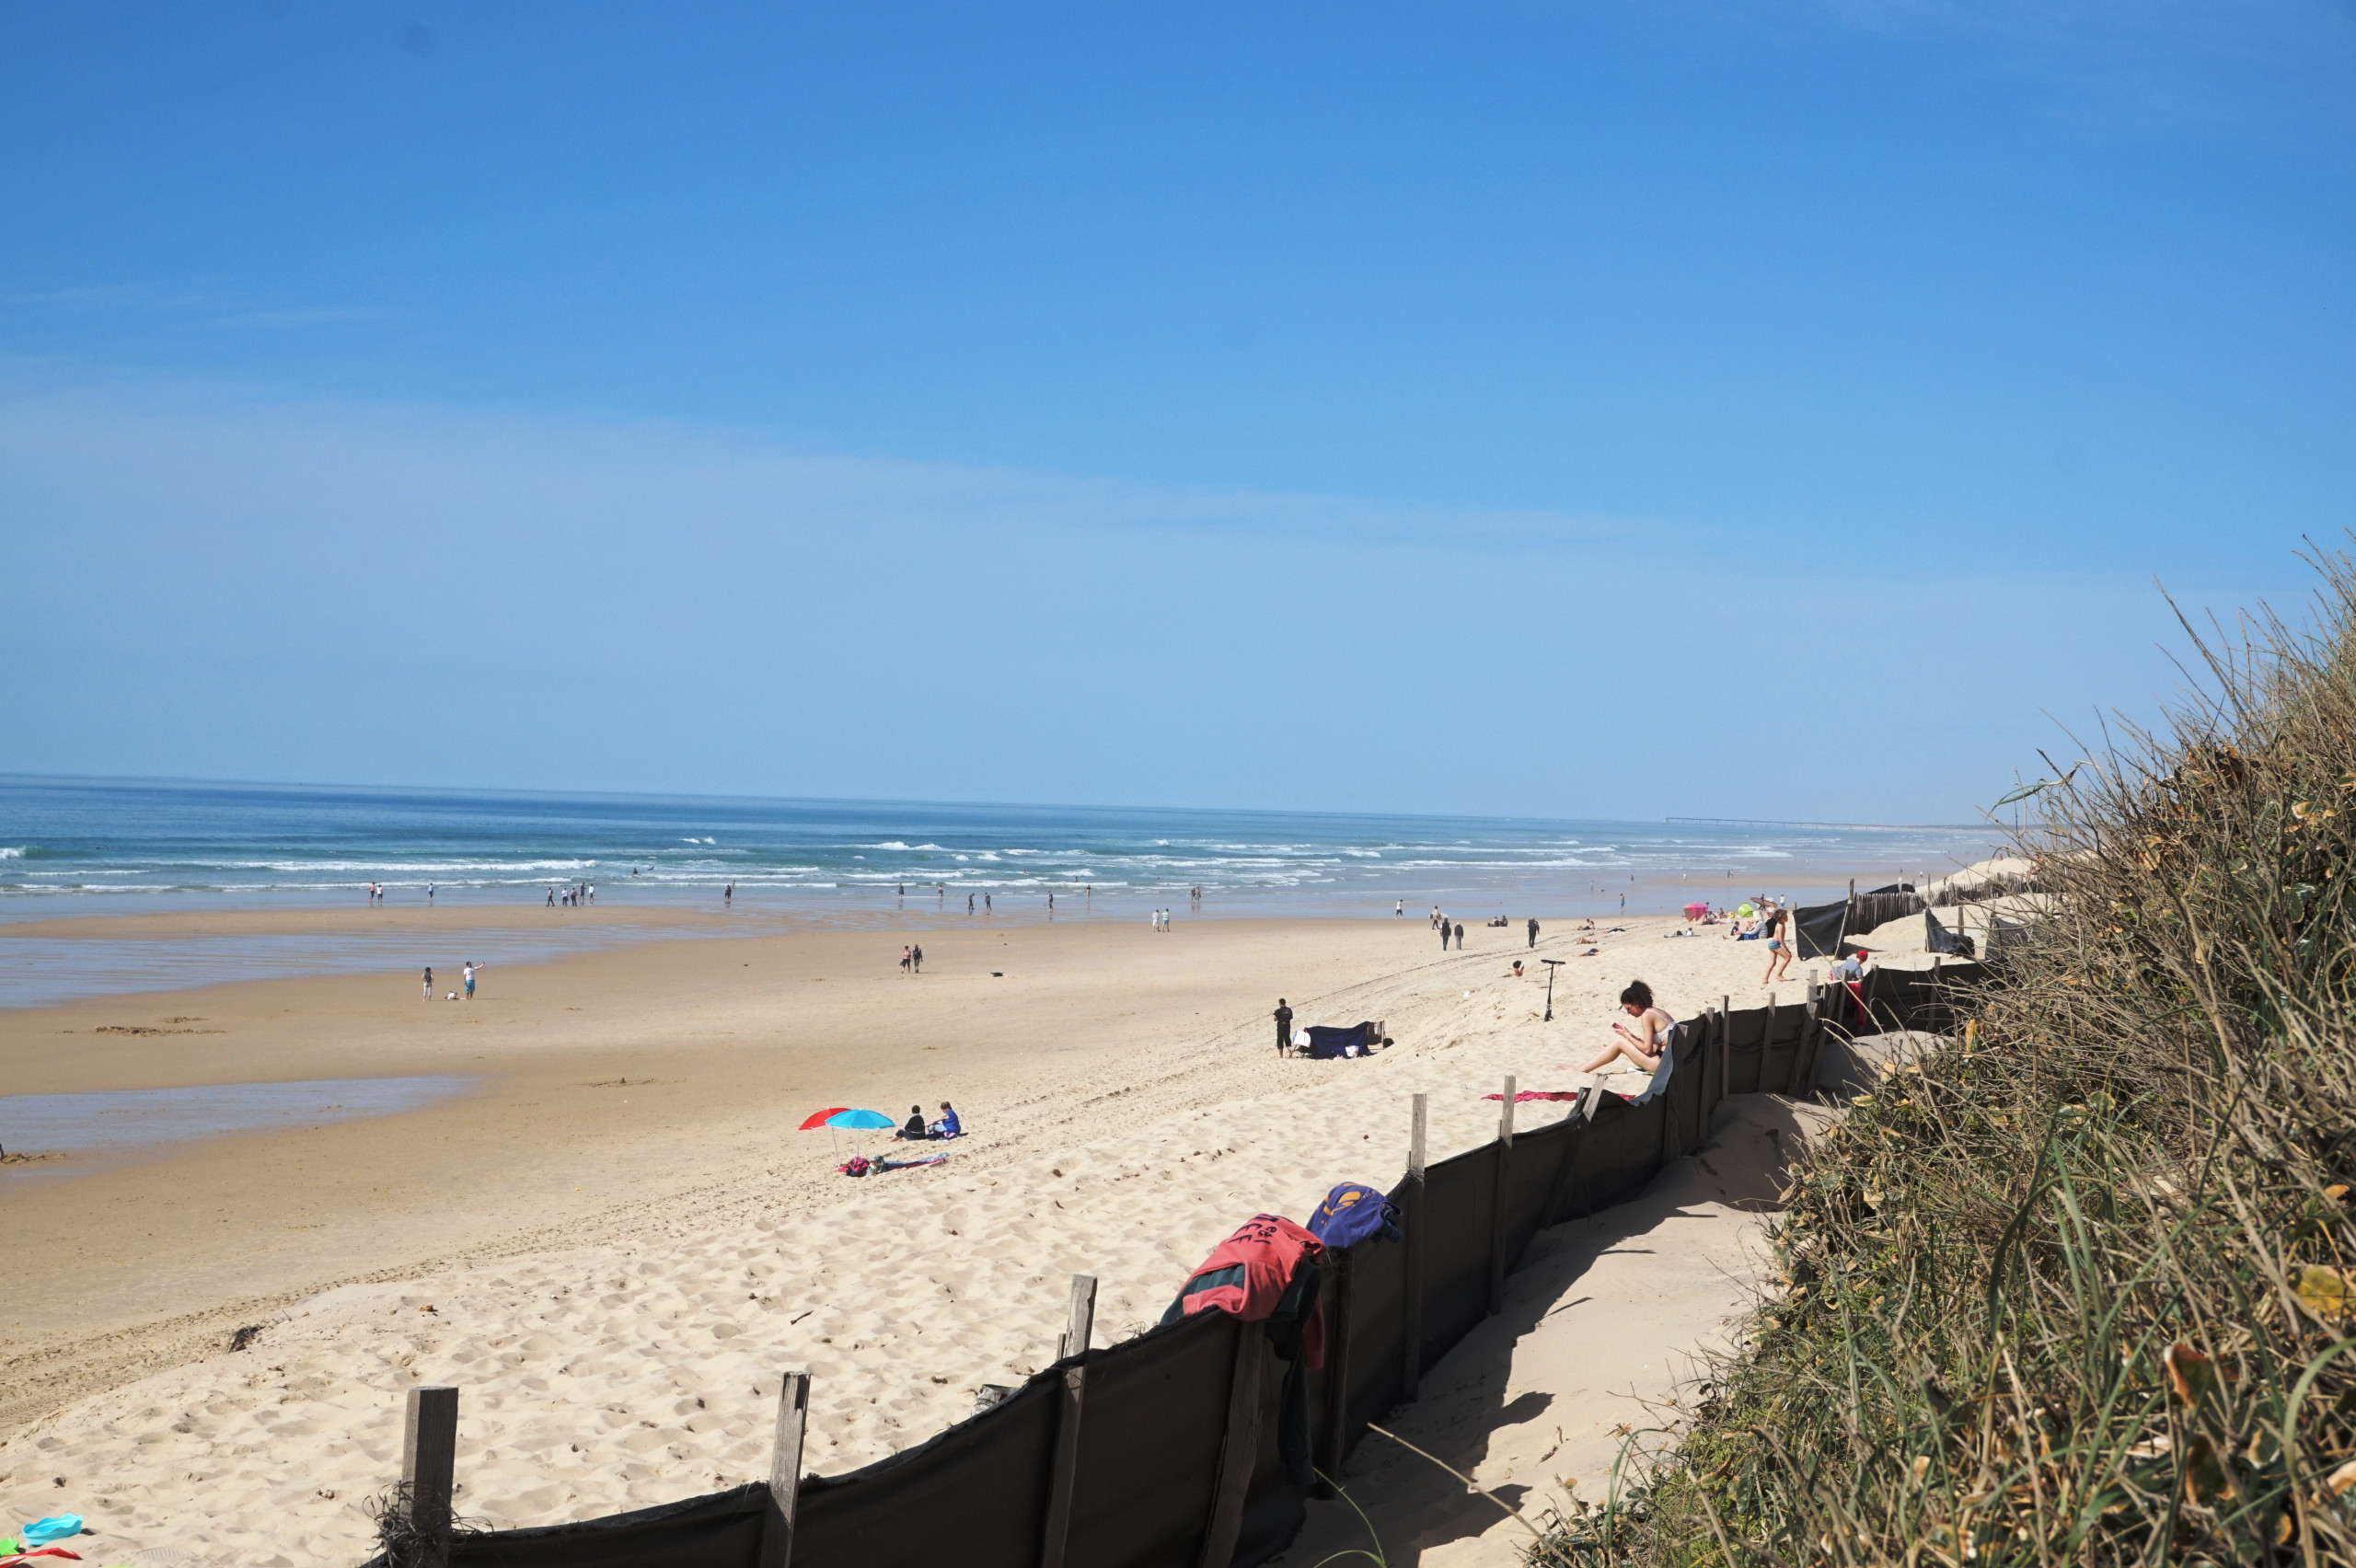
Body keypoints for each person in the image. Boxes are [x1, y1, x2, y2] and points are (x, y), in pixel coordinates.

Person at [1578, 981, 1677, 1074]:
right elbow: (1654, 1047)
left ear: (1636, 1003)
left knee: (1619, 1041)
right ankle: (1583, 1066)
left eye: (1628, 1008)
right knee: (1622, 1039)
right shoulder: (1658, 1012)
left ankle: (1582, 1069)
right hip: (1669, 1061)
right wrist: (1629, 1035)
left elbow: (1647, 1050)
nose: (1628, 1013)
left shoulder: (1646, 1015)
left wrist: (1627, 1036)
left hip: (1664, 1066)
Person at [1761, 904, 1795, 986]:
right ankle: (1779, 975)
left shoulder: (1781, 924)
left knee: (1772, 963)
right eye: (1785, 917)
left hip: (1772, 943)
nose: (1787, 917)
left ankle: (1765, 980)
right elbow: (1781, 940)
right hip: (1775, 944)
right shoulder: (1780, 926)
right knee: (1787, 958)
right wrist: (1787, 951)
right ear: (1781, 919)